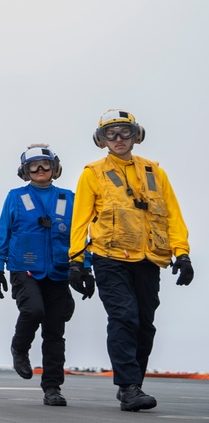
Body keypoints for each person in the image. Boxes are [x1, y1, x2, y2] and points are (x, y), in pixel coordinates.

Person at [69, 109, 193, 412]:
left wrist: (183, 253)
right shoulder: (92, 173)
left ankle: (133, 384)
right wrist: (76, 261)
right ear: (101, 140)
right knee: (124, 316)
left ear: (137, 135)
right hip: (110, 257)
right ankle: (128, 387)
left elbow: (172, 216)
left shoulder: (155, 172)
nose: (118, 138)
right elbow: (80, 220)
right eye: (110, 133)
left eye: (125, 131)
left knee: (144, 324)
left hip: (149, 258)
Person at [0, 144, 78, 407]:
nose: (40, 170)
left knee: (55, 331)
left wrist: (83, 267)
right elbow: (3, 232)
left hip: (59, 271)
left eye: (45, 164)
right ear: (25, 171)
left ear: (54, 167)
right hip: (24, 268)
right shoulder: (16, 197)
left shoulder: (68, 198)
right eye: (33, 166)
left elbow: (80, 235)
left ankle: (52, 388)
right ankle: (20, 347)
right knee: (33, 311)